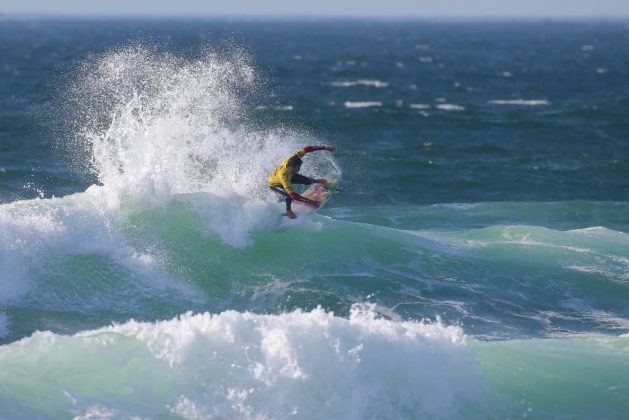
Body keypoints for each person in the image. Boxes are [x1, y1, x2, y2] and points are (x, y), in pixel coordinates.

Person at [268, 145, 336, 219]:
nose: (299, 170)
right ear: (292, 167)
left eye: (299, 167)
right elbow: (293, 195)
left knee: (307, 181)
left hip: (288, 175)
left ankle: (315, 181)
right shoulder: (284, 177)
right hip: (275, 184)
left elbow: (306, 149)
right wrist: (311, 202)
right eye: (298, 168)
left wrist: (324, 147)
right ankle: (288, 211)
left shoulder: (292, 160)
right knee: (289, 194)